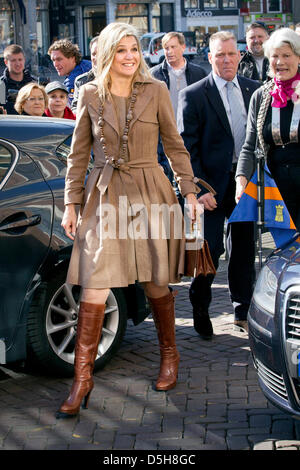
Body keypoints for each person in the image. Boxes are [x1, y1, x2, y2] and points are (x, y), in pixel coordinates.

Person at [57, 22, 202, 419]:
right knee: (95, 282)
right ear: (106, 54)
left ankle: (169, 356)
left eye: (134, 49)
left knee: (155, 278)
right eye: (120, 50)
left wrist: (188, 191)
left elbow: (174, 145)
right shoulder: (89, 93)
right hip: (103, 196)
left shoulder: (155, 91)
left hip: (149, 190)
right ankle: (82, 378)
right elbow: (77, 156)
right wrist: (71, 204)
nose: (129, 56)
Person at [178, 31, 260, 338]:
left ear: (239, 56)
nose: (227, 60)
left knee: (243, 250)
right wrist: (198, 190)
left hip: (244, 188)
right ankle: (200, 305)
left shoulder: (254, 90)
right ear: (209, 58)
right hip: (210, 189)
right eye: (220, 55)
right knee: (208, 251)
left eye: (231, 54)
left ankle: (242, 309)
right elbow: (187, 148)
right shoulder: (194, 94)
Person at [236, 28, 300, 232]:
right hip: (275, 187)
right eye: (275, 56)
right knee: (282, 251)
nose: (280, 62)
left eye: (286, 56)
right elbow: (250, 145)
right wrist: (241, 179)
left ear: (298, 57)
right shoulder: (261, 96)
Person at [151, 32, 206, 183]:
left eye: (173, 47)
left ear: (183, 47)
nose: (169, 52)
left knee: (193, 180)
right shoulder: (154, 75)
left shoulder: (199, 73)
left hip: (192, 137)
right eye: (166, 48)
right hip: (164, 138)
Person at [48, 39, 91, 105]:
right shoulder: (87, 64)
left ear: (73, 59)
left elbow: (68, 108)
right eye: (53, 60)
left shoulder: (72, 80)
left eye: (59, 59)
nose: (55, 64)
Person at [0, 44, 36, 114]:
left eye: (20, 59)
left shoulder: (33, 84)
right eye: (13, 60)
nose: (18, 63)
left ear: (24, 60)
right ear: (6, 62)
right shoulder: (1, 86)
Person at [71, 36, 98, 113]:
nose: (96, 57)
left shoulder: (120, 79)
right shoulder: (81, 81)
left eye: (100, 53)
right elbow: (75, 108)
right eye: (93, 54)